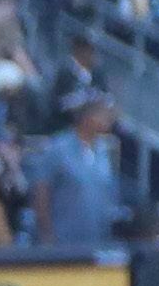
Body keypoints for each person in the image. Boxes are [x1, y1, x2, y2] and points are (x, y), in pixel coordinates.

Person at [16, 86, 124, 251]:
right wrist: (47, 236)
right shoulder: (57, 149)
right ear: (86, 117)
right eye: (101, 113)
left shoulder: (103, 150)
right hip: (63, 242)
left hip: (97, 241)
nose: (107, 118)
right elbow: (41, 193)